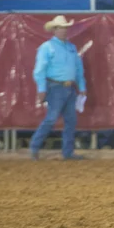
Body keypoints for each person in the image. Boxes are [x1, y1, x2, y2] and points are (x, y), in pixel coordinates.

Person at [29, 15, 87, 160]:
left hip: (68, 88)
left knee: (70, 120)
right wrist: (41, 89)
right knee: (51, 118)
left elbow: (78, 69)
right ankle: (35, 147)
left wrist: (82, 85)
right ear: (54, 30)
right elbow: (39, 70)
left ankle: (67, 152)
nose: (64, 31)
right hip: (55, 87)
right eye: (61, 28)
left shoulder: (71, 47)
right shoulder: (47, 47)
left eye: (65, 28)